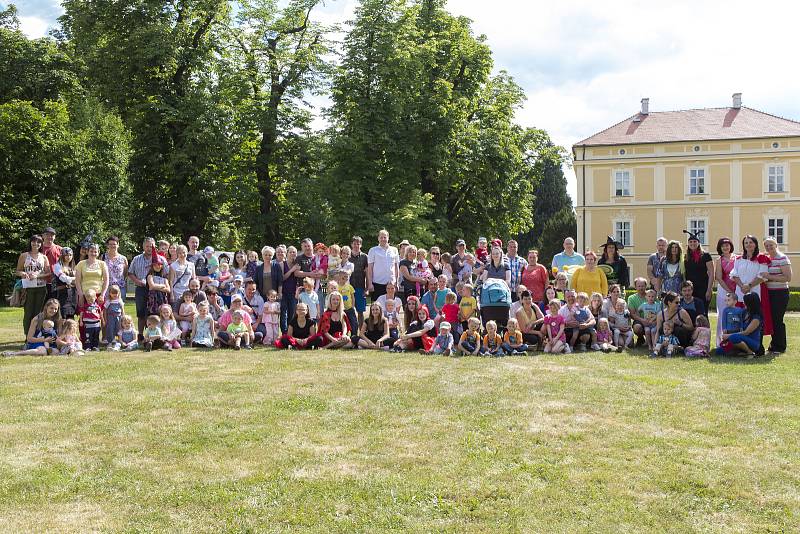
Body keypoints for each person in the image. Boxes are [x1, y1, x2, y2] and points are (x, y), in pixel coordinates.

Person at [731, 235, 773, 338]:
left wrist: (749, 286)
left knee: (756, 315)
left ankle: (757, 343)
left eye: (751, 242)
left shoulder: (761, 258)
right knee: (741, 316)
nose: (748, 245)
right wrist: (742, 286)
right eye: (746, 243)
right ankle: (741, 340)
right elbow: (734, 274)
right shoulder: (739, 259)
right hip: (741, 291)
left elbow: (762, 275)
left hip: (756, 290)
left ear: (755, 244)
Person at [17, 234, 51, 336]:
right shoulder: (24, 255)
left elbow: (48, 273)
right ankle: (28, 337)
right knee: (28, 314)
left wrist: (38, 275)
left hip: (41, 288)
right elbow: (18, 271)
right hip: (28, 288)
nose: (36, 244)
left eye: (38, 242)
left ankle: (36, 335)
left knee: (38, 314)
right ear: (30, 242)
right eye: (34, 241)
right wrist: (23, 273)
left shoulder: (44, 257)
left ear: (41, 244)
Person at [763, 237, 792, 354]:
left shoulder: (782, 258)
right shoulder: (766, 258)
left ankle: (780, 346)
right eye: (767, 246)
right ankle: (773, 345)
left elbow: (788, 277)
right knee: (771, 319)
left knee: (777, 319)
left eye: (771, 245)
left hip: (780, 293)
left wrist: (770, 277)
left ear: (776, 245)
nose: (769, 247)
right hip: (769, 292)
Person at [128, 237, 157, 338]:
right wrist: (137, 281)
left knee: (153, 312)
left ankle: (154, 334)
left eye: (151, 246)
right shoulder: (136, 259)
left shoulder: (159, 258)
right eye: (147, 246)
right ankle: (140, 335)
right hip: (141, 288)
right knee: (140, 312)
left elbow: (165, 273)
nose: (149, 248)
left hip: (154, 290)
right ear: (143, 246)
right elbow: (130, 273)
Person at [719, 293, 763, 358]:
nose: (743, 302)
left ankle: (749, 352)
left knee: (733, 337)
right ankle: (740, 351)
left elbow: (746, 332)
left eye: (744, 301)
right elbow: (733, 317)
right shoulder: (745, 311)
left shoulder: (756, 318)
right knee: (719, 351)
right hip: (741, 339)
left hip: (753, 343)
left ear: (750, 303)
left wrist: (728, 336)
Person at [683, 230, 714, 315]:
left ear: (698, 243)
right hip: (691, 290)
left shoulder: (706, 255)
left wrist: (709, 289)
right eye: (690, 242)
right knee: (691, 313)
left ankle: (705, 328)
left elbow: (711, 273)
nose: (692, 243)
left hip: (703, 288)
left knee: (703, 313)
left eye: (695, 241)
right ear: (688, 243)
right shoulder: (685, 257)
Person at [714, 237, 737, 347]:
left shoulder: (737, 258)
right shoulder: (719, 260)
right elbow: (718, 277)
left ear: (731, 246)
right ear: (720, 248)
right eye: (723, 246)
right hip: (724, 291)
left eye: (727, 245)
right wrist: (729, 290)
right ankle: (721, 342)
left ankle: (735, 341)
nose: (725, 247)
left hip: (737, 289)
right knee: (723, 315)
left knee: (736, 315)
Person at [367, 230, 399, 300]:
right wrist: (370, 283)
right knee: (377, 307)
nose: (383, 239)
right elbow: (370, 268)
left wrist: (397, 282)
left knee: (391, 306)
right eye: (381, 237)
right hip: (377, 283)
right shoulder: (373, 250)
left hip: (391, 284)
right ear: (378, 238)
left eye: (385, 237)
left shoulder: (394, 250)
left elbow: (396, 268)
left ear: (388, 238)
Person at [75, 243, 109, 309]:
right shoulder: (81, 264)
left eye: (95, 252)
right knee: (84, 316)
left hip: (98, 295)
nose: (93, 253)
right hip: (85, 295)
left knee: (98, 316)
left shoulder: (102, 264)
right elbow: (77, 281)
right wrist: (81, 295)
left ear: (98, 252)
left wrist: (102, 294)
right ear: (87, 252)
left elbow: (106, 280)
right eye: (91, 251)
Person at [349, 236, 369, 328]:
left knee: (360, 312)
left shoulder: (365, 257)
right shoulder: (347, 256)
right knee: (349, 311)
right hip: (348, 287)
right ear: (351, 244)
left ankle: (361, 332)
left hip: (360, 286)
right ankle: (352, 332)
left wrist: (367, 288)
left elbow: (367, 273)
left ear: (361, 245)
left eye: (358, 243)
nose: (356, 245)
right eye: (354, 243)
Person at [276, 245, 298, 333]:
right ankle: (284, 332)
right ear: (287, 253)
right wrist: (292, 270)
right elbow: (282, 278)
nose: (292, 254)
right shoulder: (282, 264)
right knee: (283, 313)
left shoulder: (297, 264)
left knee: (292, 313)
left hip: (293, 293)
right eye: (291, 252)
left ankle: (290, 332)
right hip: (283, 292)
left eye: (294, 252)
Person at [52, 247, 77, 320]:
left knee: (71, 316)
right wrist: (75, 279)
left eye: (70, 255)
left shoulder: (73, 267)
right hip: (61, 294)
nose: (68, 257)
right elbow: (64, 278)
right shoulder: (57, 266)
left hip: (72, 295)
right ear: (62, 255)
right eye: (66, 255)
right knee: (62, 316)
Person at [103, 236, 128, 300]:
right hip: (107, 288)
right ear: (107, 245)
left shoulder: (123, 259)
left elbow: (125, 273)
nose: (112, 246)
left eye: (114, 244)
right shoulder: (103, 257)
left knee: (119, 308)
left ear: (118, 245)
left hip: (120, 288)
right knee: (106, 307)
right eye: (110, 244)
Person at [40, 227, 62, 298]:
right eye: (47, 234)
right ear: (42, 236)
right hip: (40, 281)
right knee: (40, 305)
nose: (49, 237)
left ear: (55, 237)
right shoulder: (37, 248)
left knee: (53, 303)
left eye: (52, 235)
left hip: (55, 281)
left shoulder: (60, 249)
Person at [627, 277, 649, 345]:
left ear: (646, 286)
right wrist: (643, 320)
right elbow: (632, 314)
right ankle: (640, 338)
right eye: (639, 286)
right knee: (637, 327)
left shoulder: (651, 295)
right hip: (639, 320)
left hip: (651, 319)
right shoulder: (631, 298)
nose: (641, 288)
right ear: (635, 287)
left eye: (642, 286)